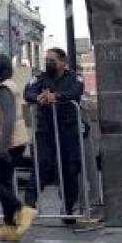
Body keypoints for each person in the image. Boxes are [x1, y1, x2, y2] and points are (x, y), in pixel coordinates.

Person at [24, 48, 85, 224]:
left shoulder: (74, 77)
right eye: (47, 60)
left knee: (70, 169)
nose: (48, 63)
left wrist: (55, 96)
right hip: (46, 129)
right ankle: (28, 206)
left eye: (52, 60)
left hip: (67, 130)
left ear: (63, 62)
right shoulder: (40, 77)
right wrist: (39, 98)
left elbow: (75, 92)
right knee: (40, 166)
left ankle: (68, 208)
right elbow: (27, 92)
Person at [0, 54, 38, 242]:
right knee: (4, 184)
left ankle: (22, 210)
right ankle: (10, 227)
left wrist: (3, 148)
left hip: (8, 144)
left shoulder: (5, 88)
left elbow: (8, 120)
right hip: (14, 143)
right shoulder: (8, 86)